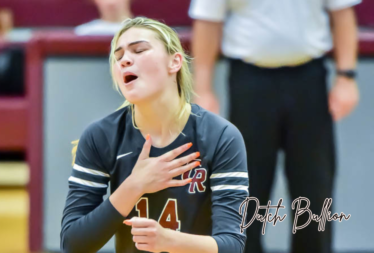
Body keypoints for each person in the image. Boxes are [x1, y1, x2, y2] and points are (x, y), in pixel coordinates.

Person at [61, 17, 249, 253]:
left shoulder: (221, 136)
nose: (125, 60)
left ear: (175, 62)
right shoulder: (100, 136)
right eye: (118, 57)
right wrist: (134, 185)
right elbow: (72, 244)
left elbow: (232, 245)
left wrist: (168, 241)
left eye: (139, 50)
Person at [189, 0, 360, 253]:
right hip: (249, 82)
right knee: (245, 190)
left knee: (314, 189)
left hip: (309, 80)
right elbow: (207, 21)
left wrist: (347, 77)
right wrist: (202, 89)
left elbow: (343, 14)